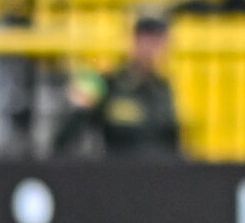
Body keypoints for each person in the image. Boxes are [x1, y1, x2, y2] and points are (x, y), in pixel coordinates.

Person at [52, 15, 182, 159]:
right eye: (148, 40)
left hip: (157, 175)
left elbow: (172, 143)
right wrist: (79, 109)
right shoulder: (109, 84)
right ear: (134, 41)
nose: (153, 49)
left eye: (159, 41)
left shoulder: (163, 88)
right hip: (117, 174)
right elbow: (64, 141)